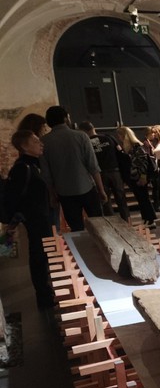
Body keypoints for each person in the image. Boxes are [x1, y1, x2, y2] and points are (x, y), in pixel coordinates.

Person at [4, 130, 56, 307]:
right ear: (24, 146)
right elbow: (15, 197)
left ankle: (46, 293)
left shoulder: (33, 165)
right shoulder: (22, 167)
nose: (40, 143)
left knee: (42, 255)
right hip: (34, 219)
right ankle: (43, 297)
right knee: (38, 256)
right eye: (35, 141)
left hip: (41, 217)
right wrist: (13, 223)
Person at [39, 106, 106, 231]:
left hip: (64, 192)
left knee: (76, 228)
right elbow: (93, 166)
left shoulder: (44, 141)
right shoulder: (81, 136)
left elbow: (46, 173)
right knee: (99, 226)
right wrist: (101, 190)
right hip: (86, 187)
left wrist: (52, 195)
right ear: (65, 118)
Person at [78, 121, 130, 222]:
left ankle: (111, 224)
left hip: (100, 175)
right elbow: (120, 153)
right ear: (93, 128)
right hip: (115, 172)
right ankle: (127, 222)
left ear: (83, 131)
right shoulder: (108, 137)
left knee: (105, 201)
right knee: (121, 200)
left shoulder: (86, 143)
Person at [116, 126, 157, 228]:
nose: (119, 138)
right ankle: (146, 219)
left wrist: (143, 177)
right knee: (141, 198)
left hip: (139, 176)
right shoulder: (130, 147)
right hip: (134, 177)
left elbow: (143, 162)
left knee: (144, 198)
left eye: (119, 135)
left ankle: (150, 220)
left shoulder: (136, 146)